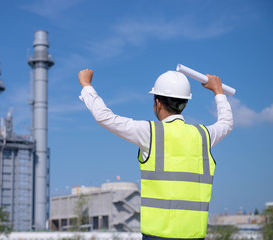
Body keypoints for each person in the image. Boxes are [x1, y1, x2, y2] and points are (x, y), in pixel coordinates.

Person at [78, 69, 233, 240]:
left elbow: (104, 117)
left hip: (157, 236)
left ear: (158, 102)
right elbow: (226, 123)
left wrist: (86, 85)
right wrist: (218, 90)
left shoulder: (149, 133)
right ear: (185, 103)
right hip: (194, 235)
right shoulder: (204, 136)